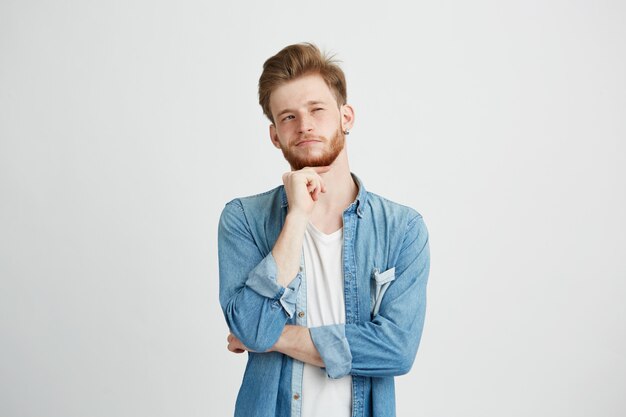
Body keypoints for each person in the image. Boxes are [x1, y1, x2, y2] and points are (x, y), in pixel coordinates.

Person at [218, 43, 430, 417]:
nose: (305, 126)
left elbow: (397, 350)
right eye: (288, 117)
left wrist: (274, 338)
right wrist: (297, 216)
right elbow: (250, 326)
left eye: (317, 109)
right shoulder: (244, 219)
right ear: (274, 136)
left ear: (346, 116)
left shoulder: (403, 229)